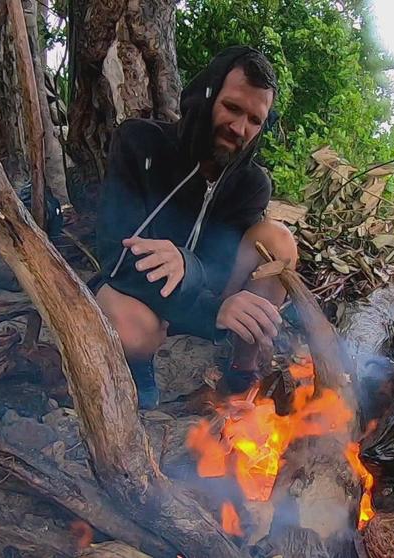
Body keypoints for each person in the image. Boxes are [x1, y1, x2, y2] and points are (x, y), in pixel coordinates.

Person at [90, 46, 299, 409]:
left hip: (205, 295)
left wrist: (189, 266)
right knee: (136, 331)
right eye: (232, 108)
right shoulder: (139, 143)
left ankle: (239, 373)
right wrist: (206, 307)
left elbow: (221, 263)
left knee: (278, 241)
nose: (239, 128)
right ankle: (139, 365)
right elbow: (115, 254)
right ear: (205, 97)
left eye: (254, 119)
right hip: (137, 291)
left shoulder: (252, 184)